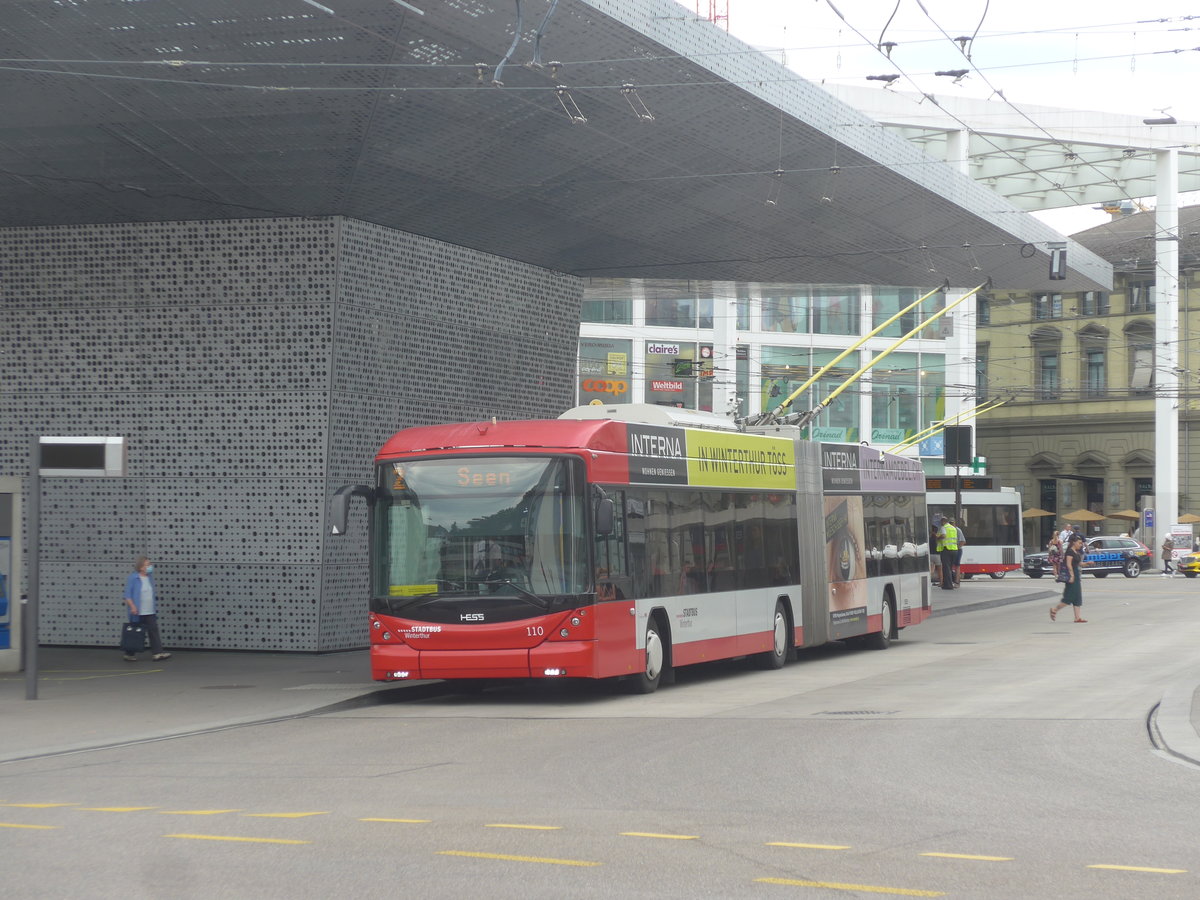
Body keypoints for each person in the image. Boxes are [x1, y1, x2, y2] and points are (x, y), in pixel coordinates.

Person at [122, 555, 171, 661]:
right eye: (148, 565)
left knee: (153, 630)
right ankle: (129, 653)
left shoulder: (149, 577)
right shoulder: (133, 578)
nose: (150, 566)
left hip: (150, 610)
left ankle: (157, 653)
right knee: (134, 632)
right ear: (141, 567)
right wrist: (133, 607)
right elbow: (127, 595)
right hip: (137, 611)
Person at [1050, 534, 1087, 623]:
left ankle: (1077, 617)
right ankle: (1054, 609)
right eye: (1079, 543)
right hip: (1072, 575)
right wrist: (1072, 576)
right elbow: (1068, 564)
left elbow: (1078, 563)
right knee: (1069, 597)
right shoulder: (1070, 552)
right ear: (1074, 543)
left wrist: (1088, 563)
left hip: (1076, 574)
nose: (1081, 544)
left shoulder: (1076, 552)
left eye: (1081, 543)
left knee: (1077, 596)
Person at [935, 516, 958, 591]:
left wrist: (937, 538)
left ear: (942, 521)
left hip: (946, 549)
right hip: (954, 550)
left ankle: (948, 585)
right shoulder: (953, 528)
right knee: (949, 568)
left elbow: (944, 535)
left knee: (946, 568)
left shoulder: (943, 527)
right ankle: (950, 582)